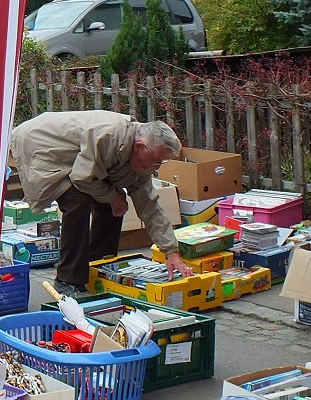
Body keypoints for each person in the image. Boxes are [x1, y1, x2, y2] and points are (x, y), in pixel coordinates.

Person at [10, 109, 192, 297]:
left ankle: (98, 267)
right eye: (155, 161)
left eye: (162, 162)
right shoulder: (109, 136)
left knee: (112, 204)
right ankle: (67, 280)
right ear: (138, 147)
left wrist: (171, 252)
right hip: (41, 145)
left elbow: (150, 206)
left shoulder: (142, 157)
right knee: (78, 201)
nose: (156, 167)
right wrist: (114, 198)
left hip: (78, 159)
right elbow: (82, 178)